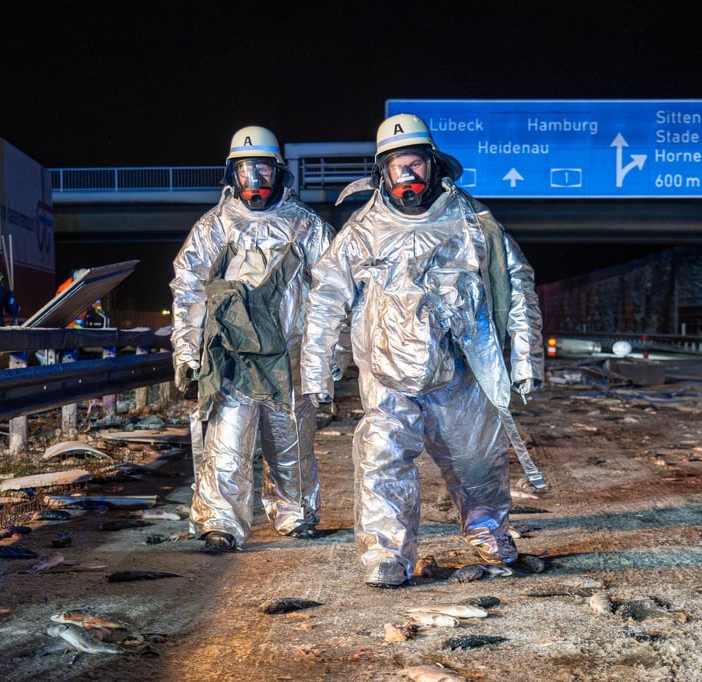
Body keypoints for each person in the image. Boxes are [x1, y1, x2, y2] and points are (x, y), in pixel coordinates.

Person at [300, 113, 545, 588]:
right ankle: (386, 556)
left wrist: (525, 359)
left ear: (433, 165)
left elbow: (517, 286)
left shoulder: (473, 223)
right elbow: (326, 299)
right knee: (382, 459)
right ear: (381, 173)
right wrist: (317, 370)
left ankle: (490, 534)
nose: (407, 176)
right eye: (397, 167)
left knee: (478, 462)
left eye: (415, 164)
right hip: (388, 374)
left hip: (461, 370)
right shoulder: (362, 231)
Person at [170, 125, 335, 552]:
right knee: (226, 444)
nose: (255, 181)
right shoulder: (214, 227)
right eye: (245, 171)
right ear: (232, 174)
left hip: (289, 358)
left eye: (262, 169)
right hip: (231, 360)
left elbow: (333, 293)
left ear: (278, 171)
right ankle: (220, 523)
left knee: (291, 445)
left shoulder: (306, 227)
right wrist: (187, 351)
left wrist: (330, 355)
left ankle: (296, 514)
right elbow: (188, 290)